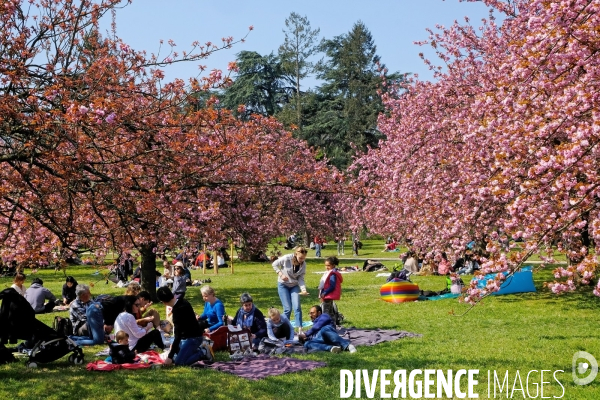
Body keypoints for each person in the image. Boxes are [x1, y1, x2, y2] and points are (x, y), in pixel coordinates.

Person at [157, 286, 207, 366]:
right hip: (186, 337)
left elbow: (178, 335)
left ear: (163, 302)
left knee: (179, 362)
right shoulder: (183, 301)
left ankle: (202, 352)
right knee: (174, 347)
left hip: (194, 338)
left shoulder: (178, 312)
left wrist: (170, 357)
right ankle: (191, 351)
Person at [272, 246, 309, 329]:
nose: (302, 260)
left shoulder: (303, 264)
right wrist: (280, 274)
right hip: (283, 285)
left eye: (303, 258)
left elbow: (301, 278)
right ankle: (285, 328)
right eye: (300, 258)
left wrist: (303, 290)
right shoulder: (287, 258)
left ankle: (300, 328)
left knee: (297, 307)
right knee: (288, 309)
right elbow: (274, 264)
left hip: (294, 286)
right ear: (296, 254)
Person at [318, 256, 343, 323]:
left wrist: (324, 293)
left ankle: (327, 326)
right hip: (328, 295)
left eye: (328, 265)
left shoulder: (332, 274)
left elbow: (332, 286)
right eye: (325, 265)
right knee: (330, 312)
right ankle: (333, 324)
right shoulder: (330, 272)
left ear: (333, 265)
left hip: (328, 295)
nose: (326, 267)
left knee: (325, 312)